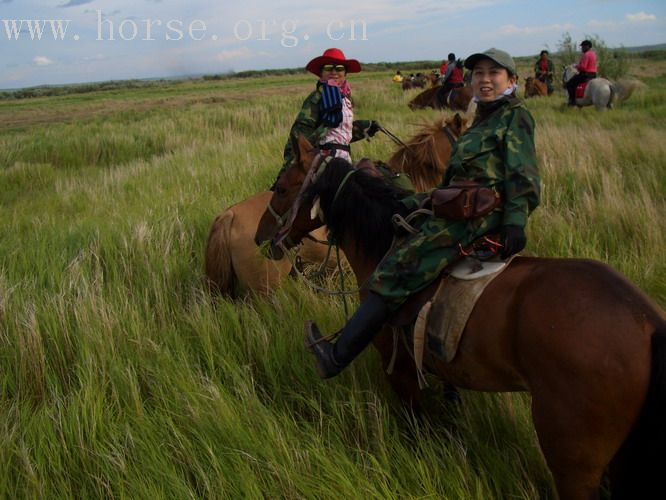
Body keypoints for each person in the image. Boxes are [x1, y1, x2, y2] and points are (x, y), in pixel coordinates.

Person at [305, 48, 540, 378]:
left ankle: (336, 355)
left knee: (396, 270)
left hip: (477, 216)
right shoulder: (483, 119)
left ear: (511, 80)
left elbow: (522, 174)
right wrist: (416, 203)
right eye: (479, 74)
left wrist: (515, 222)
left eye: (494, 73)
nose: (485, 80)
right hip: (458, 205)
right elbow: (457, 180)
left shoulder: (514, 117)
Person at [281, 48, 380, 173]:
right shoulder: (316, 98)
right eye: (328, 68)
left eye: (339, 68)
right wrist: (288, 167)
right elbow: (299, 135)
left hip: (345, 159)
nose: (334, 72)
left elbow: (338, 135)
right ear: (321, 73)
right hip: (322, 161)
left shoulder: (346, 98)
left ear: (345, 73)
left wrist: (364, 127)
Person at [566, 40, 597, 106]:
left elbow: (583, 67)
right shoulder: (593, 54)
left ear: (587, 46)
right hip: (593, 75)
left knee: (569, 84)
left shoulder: (586, 55)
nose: (582, 48)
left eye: (583, 46)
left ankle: (572, 100)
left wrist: (576, 66)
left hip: (585, 75)